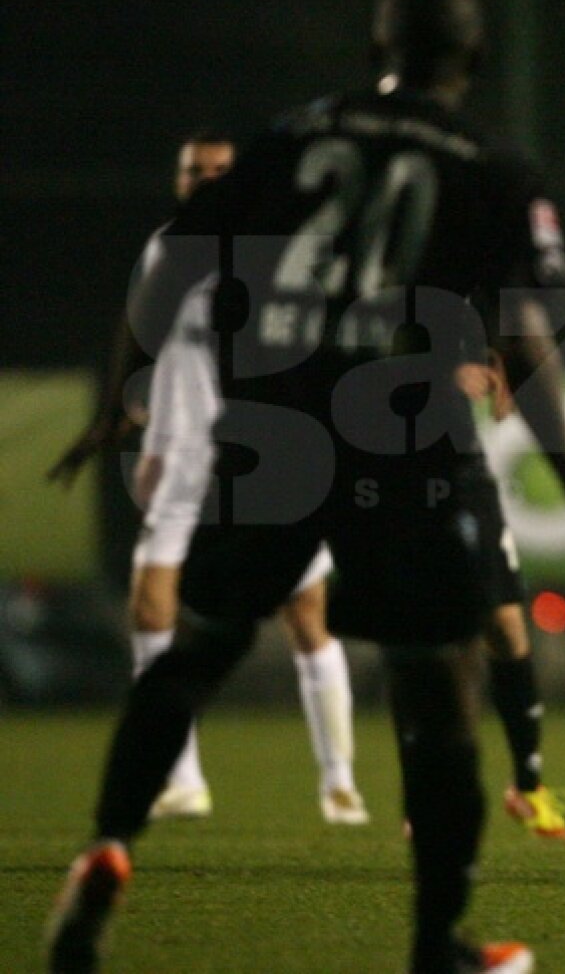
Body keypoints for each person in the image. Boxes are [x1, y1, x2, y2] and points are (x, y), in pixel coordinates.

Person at [45, 0, 565, 974]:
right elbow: (520, 329)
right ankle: (435, 942)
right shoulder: (492, 166)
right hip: (400, 432)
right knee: (435, 682)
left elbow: (173, 260)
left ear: (378, 52)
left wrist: (134, 392)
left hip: (275, 419)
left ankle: (104, 848)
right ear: (474, 61)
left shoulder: (295, 134)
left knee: (198, 648)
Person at [122, 133, 367, 825]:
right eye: (191, 170)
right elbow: (162, 351)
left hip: (266, 453)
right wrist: (151, 432)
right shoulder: (165, 249)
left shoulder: (277, 251)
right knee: (151, 605)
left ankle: (339, 780)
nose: (203, 181)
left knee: (305, 613)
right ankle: (183, 779)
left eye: (217, 172)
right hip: (182, 456)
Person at [455, 351, 565, 838]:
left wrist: (498, 363)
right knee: (428, 636)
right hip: (388, 468)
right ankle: (431, 797)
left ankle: (527, 786)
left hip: (462, 467)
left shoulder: (456, 288)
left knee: (506, 626)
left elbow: (498, 323)